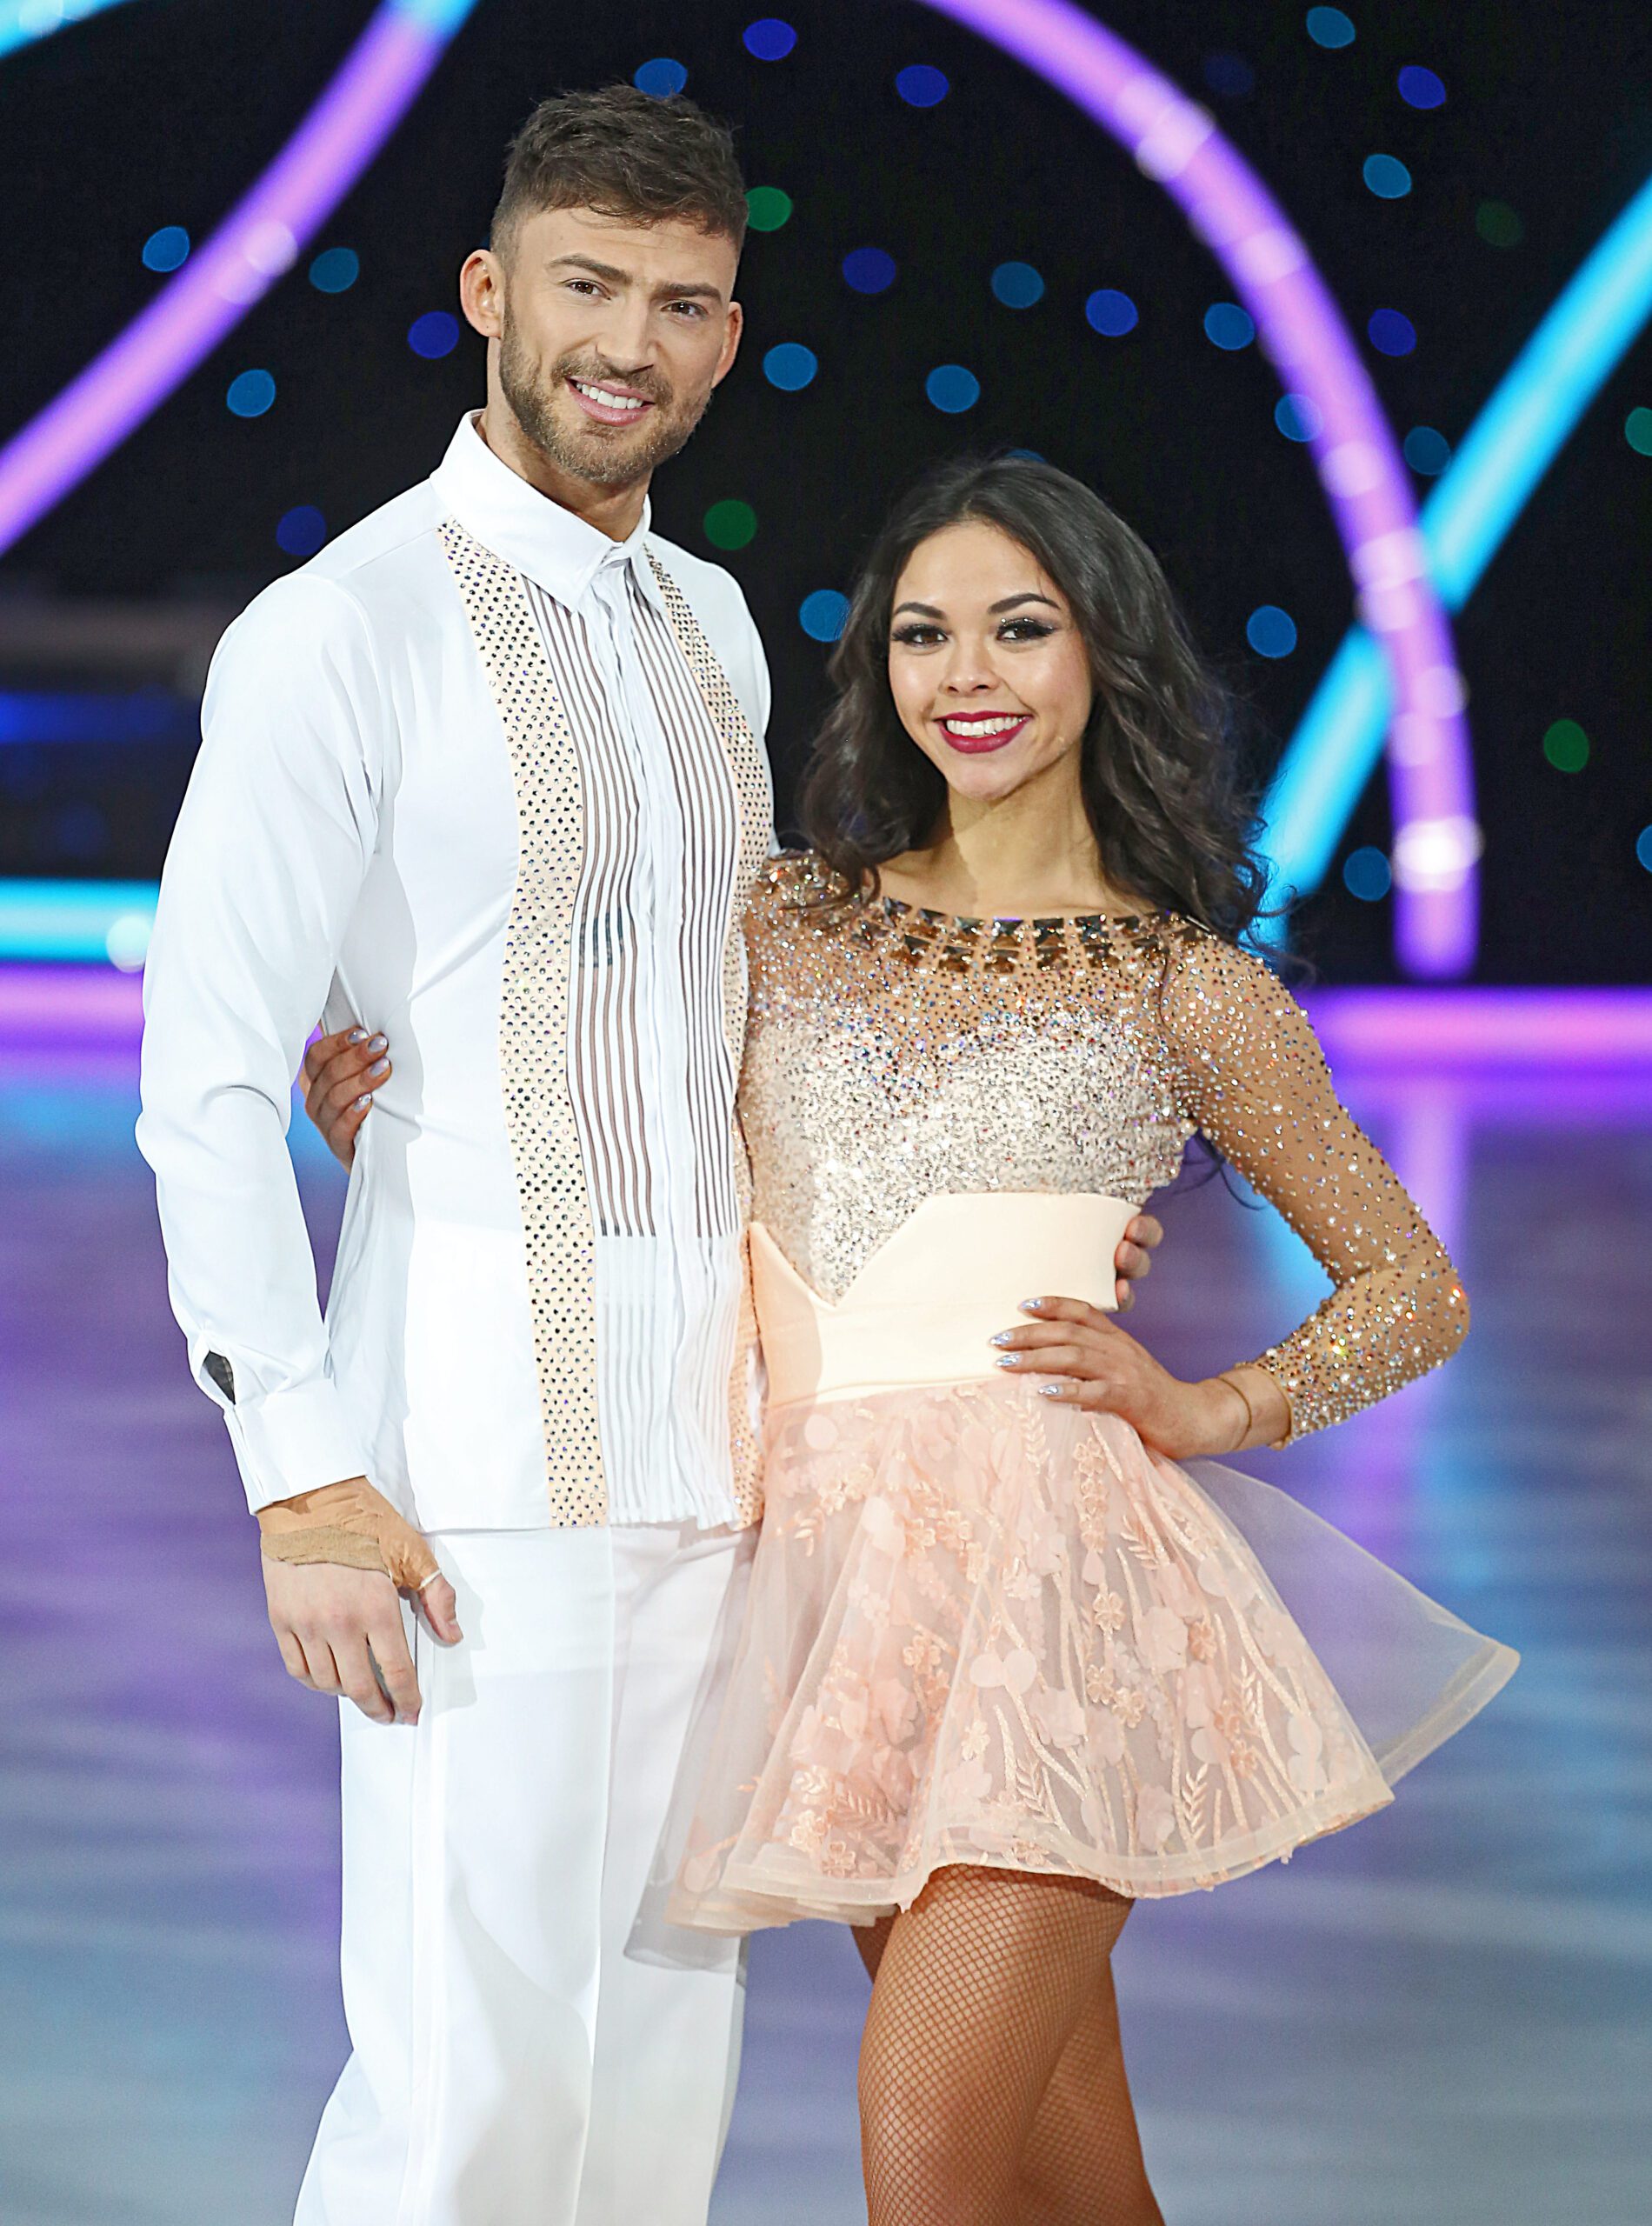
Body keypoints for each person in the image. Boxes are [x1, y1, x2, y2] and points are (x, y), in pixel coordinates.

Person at [137, 85, 1162, 2226]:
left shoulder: (708, 623)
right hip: (455, 1474)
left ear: (721, 334)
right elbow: (212, 1069)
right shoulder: (345, 626)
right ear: (489, 295)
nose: (632, 341)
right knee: (467, 2085)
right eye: (588, 287)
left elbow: (722, 1024)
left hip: (715, 1456)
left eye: (682, 302)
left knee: (656, 2080)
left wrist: (1001, 1210)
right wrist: (296, 1467)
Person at [312, 452, 1517, 2224]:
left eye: (1017, 628)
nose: (966, 671)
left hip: (1054, 1591)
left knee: (926, 2130)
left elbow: (1412, 1282)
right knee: (1060, 2151)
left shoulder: (1183, 983)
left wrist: (1212, 1406)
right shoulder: (784, 919)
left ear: (1101, 653)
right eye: (922, 631)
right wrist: (405, 1142)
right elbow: (629, 1152)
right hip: (834, 1607)